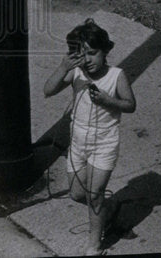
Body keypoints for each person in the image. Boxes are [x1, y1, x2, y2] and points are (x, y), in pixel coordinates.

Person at [43, 18, 136, 255]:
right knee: (76, 194)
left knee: (94, 196)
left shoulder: (116, 76)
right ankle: (110, 206)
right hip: (78, 142)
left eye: (93, 53)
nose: (88, 61)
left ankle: (94, 247)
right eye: (82, 55)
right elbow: (48, 90)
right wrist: (64, 67)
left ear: (105, 51)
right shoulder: (77, 73)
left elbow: (130, 105)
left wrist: (108, 100)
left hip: (104, 143)